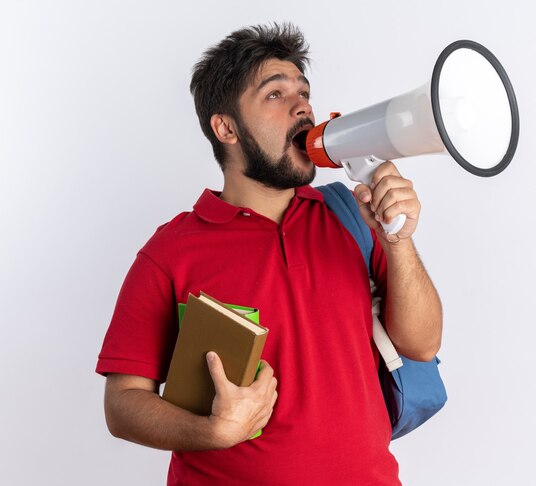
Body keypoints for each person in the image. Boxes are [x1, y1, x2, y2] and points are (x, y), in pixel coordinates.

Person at [96, 22, 442, 485]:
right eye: (275, 95)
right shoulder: (170, 251)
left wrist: (397, 241)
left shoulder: (354, 216)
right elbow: (122, 405)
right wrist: (211, 431)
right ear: (226, 128)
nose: (303, 107)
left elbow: (422, 344)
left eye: (304, 92)